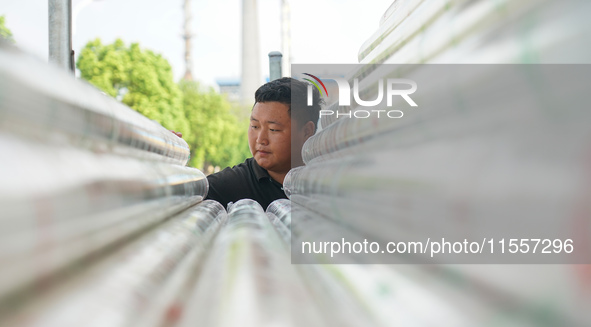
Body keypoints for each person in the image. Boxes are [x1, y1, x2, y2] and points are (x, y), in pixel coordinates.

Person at [205, 77, 322, 210]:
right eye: (255, 126)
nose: (260, 139)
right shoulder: (228, 186)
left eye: (273, 129)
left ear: (307, 131)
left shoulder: (330, 183)